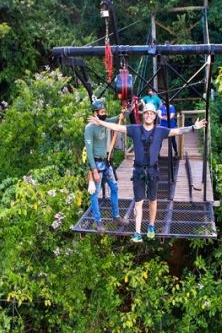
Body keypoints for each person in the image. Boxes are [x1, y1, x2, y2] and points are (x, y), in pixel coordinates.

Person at [89, 103, 207, 242]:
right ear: (143, 115)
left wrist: (193, 127)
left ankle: (151, 225)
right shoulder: (135, 129)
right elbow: (117, 127)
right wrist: (100, 122)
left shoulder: (160, 131)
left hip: (152, 171)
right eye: (146, 113)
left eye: (151, 113)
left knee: (152, 200)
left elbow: (177, 131)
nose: (149, 115)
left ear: (155, 116)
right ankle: (137, 232)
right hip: (138, 170)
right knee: (138, 202)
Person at [84, 99, 128, 232]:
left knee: (114, 187)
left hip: (106, 162)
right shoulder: (90, 128)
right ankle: (98, 221)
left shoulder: (104, 123)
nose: (104, 114)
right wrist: (94, 170)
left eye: (104, 112)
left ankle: (116, 216)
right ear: (95, 113)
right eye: (102, 112)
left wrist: (122, 114)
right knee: (95, 193)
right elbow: (89, 152)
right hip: (96, 164)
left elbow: (115, 119)